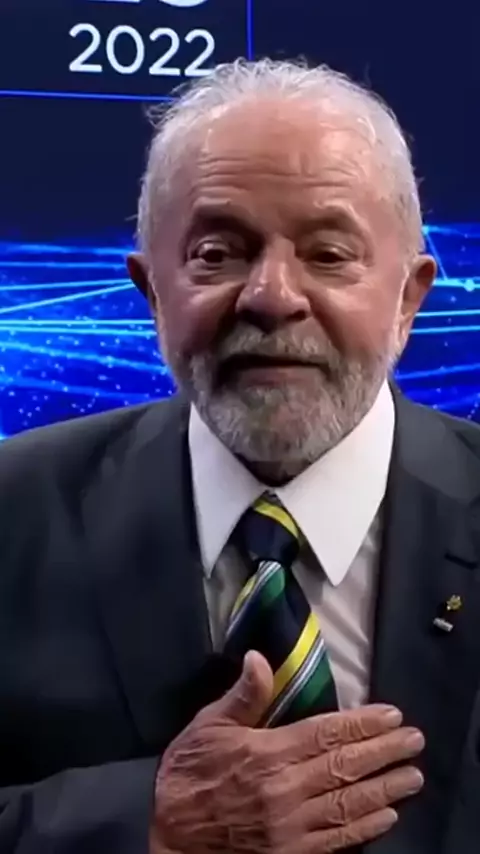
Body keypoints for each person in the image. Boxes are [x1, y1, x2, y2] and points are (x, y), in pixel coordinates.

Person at [0, 58, 479, 854]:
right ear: (152, 294)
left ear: (409, 298)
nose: (271, 296)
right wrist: (145, 822)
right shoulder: (14, 513)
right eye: (218, 253)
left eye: (329, 254)